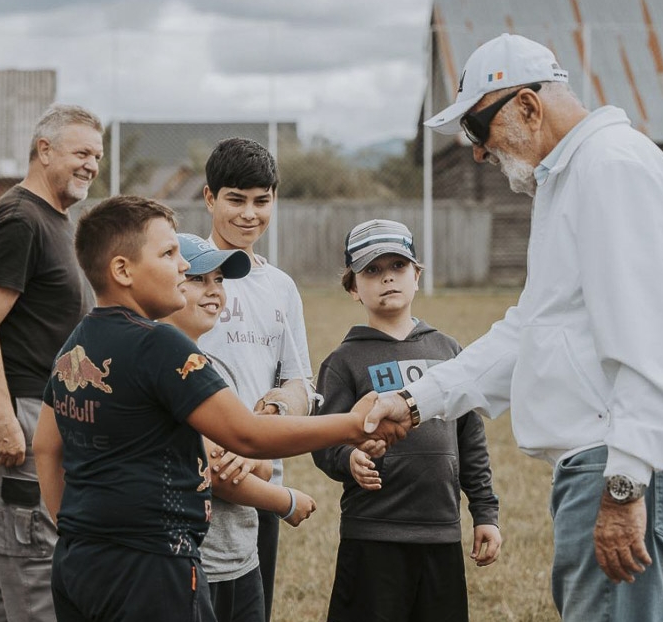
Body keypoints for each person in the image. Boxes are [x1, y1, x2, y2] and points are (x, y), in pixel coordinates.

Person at [363, 33, 663, 622]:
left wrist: (625, 485)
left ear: (528, 106)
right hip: (605, 461)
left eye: (477, 130)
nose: (479, 153)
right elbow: (531, 331)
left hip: (623, 460)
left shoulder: (610, 170)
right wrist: (416, 401)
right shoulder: (574, 178)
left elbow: (650, 339)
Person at [30, 195, 401, 622]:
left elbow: (45, 447)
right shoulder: (159, 344)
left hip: (78, 562)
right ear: (122, 270)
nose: (183, 266)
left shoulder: (77, 341)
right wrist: (353, 425)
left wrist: (75, 531)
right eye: (169, 254)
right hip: (153, 571)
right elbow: (246, 435)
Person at [312, 219, 502, 622]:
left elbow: (471, 439)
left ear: (417, 276)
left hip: (441, 531)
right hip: (373, 533)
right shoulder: (343, 362)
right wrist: (348, 459)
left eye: (398, 266)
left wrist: (484, 513)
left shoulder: (449, 351)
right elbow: (324, 440)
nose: (387, 279)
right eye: (372, 271)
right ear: (352, 288)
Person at [0, 104, 103, 622]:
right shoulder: (19, 218)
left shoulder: (57, 219)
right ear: (45, 150)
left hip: (46, 411)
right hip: (18, 412)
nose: (92, 165)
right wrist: (2, 422)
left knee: (13, 567)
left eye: (97, 156)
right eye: (81, 152)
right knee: (35, 562)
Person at [164, 232, 318, 622]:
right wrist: (286, 502)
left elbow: (255, 459)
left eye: (219, 280)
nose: (214, 290)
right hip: (191, 563)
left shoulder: (217, 370)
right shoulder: (170, 367)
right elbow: (215, 471)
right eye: (198, 279)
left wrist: (250, 457)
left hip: (240, 559)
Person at [196, 138, 312, 622]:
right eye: (236, 199)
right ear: (209, 198)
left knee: (251, 609)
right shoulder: (182, 271)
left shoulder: (280, 286)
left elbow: (301, 384)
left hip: (262, 480)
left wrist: (277, 411)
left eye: (262, 200)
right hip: (199, 482)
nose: (250, 214)